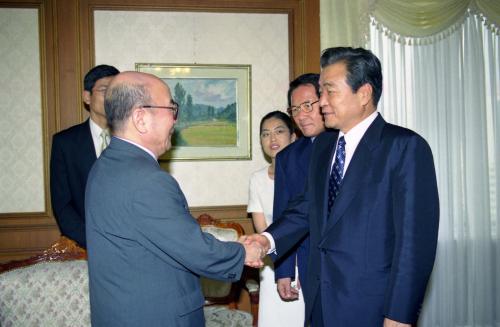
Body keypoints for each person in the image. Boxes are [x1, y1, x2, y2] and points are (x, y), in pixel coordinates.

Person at [244, 47, 439, 327]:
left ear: (364, 94)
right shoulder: (323, 147)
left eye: (329, 91)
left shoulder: (404, 148)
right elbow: (305, 208)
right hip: (320, 301)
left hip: (372, 307)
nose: (321, 101)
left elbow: (414, 245)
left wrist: (399, 315)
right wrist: (267, 240)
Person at [85, 71, 263, 327]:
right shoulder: (146, 180)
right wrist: (243, 251)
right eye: (171, 108)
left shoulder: (105, 165)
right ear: (141, 118)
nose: (175, 119)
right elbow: (192, 247)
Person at [273, 73, 332, 303]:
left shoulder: (347, 144)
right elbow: (284, 213)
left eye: (308, 105)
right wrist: (284, 271)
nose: (301, 115)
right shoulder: (288, 158)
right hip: (310, 265)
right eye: (295, 109)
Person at [50, 64, 119, 248]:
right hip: (88, 246)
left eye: (116, 91)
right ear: (87, 97)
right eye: (105, 90)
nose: (111, 97)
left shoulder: (134, 140)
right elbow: (62, 205)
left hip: (132, 246)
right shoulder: (65, 143)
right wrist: (93, 242)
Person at [248, 110, 305, 327]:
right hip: (273, 261)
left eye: (279, 131)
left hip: (305, 261)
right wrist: (283, 265)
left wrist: (299, 266)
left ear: (293, 136)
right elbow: (263, 230)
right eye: (265, 134)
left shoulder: (307, 173)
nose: (272, 139)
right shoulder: (257, 179)